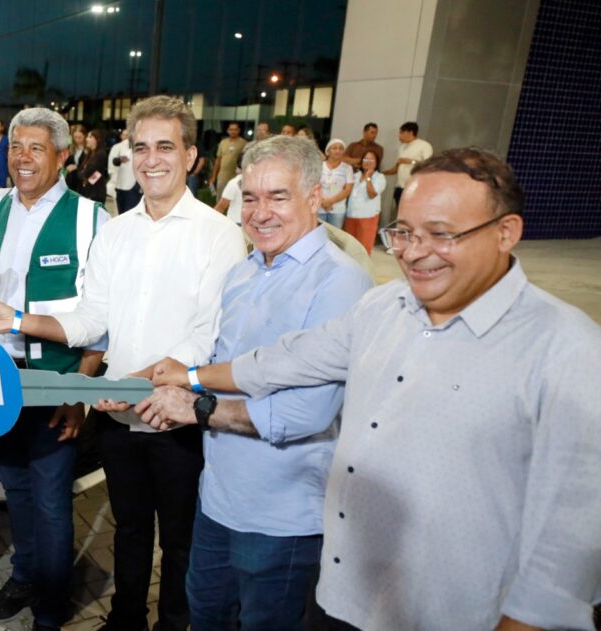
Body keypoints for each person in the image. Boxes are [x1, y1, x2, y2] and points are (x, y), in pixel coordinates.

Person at [143, 147, 601, 631]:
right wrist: (190, 376)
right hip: (347, 588)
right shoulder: (384, 307)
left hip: (453, 609)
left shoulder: (566, 349)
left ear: (505, 232)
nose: (415, 252)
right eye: (404, 233)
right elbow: (286, 359)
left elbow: (571, 542)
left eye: (441, 234)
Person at [0, 96, 245, 631]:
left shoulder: (218, 234)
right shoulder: (116, 231)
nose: (151, 159)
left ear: (191, 156)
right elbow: (91, 319)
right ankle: (124, 620)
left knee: (180, 539)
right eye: (141, 147)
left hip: (177, 415)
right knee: (130, 529)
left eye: (165, 147)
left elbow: (206, 338)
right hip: (118, 415)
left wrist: (125, 383)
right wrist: (18, 318)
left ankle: (173, 624)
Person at [166, 135, 374, 629]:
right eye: (250, 198)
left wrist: (197, 409)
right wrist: (164, 390)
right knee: (206, 614)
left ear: (314, 196)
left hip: (282, 517)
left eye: (278, 197)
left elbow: (306, 413)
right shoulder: (242, 273)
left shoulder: (340, 281)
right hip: (217, 501)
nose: (260, 214)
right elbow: (219, 368)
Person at [0, 107, 108, 631]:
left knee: (51, 500)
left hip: (54, 382)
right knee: (14, 486)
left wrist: (80, 392)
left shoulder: (90, 219)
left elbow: (101, 318)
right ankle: (24, 575)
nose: (22, 157)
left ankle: (50, 606)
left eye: (36, 148)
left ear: (62, 156)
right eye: (17, 146)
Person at [383, 121, 433, 225]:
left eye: (401, 132)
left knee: (412, 216)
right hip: (400, 186)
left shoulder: (424, 145)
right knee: (400, 215)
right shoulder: (402, 147)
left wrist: (411, 161)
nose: (399, 135)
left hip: (415, 188)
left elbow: (429, 165)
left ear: (410, 132)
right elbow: (398, 166)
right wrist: (384, 172)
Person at [344, 150, 386, 253]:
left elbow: (372, 194)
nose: (367, 162)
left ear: (377, 163)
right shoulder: (356, 175)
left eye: (371, 160)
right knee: (349, 248)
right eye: (365, 159)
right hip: (351, 215)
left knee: (364, 249)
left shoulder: (379, 177)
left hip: (368, 216)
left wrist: (368, 177)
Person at [319, 139, 354, 228]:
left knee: (335, 235)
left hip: (337, 209)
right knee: (318, 234)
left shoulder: (347, 168)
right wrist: (323, 202)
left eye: (341, 148)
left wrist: (330, 201)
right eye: (334, 148)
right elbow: (313, 185)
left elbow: (348, 189)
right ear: (327, 151)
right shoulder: (319, 165)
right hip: (319, 206)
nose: (337, 151)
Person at [209, 122, 247, 197]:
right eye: (231, 129)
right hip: (222, 176)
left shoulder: (244, 143)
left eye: (235, 129)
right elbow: (218, 160)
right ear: (227, 131)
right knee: (220, 197)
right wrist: (213, 176)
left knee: (234, 198)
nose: (233, 131)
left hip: (236, 176)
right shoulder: (223, 142)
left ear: (239, 130)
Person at [108, 129, 140, 213]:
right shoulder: (118, 147)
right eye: (125, 135)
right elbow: (112, 164)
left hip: (135, 187)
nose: (127, 136)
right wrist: (119, 160)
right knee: (121, 212)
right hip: (120, 185)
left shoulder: (141, 146)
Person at [72, 129, 108, 203]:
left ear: (97, 140)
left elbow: (88, 172)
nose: (87, 139)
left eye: (90, 137)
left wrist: (84, 172)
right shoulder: (89, 154)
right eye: (87, 137)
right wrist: (83, 172)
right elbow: (80, 172)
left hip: (95, 192)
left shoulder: (100, 154)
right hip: (86, 191)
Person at [63, 123, 87, 190]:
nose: (77, 140)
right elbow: (66, 163)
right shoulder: (71, 147)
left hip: (82, 181)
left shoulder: (88, 148)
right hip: (71, 180)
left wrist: (77, 166)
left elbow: (89, 164)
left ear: (85, 136)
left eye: (80, 137)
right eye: (75, 137)